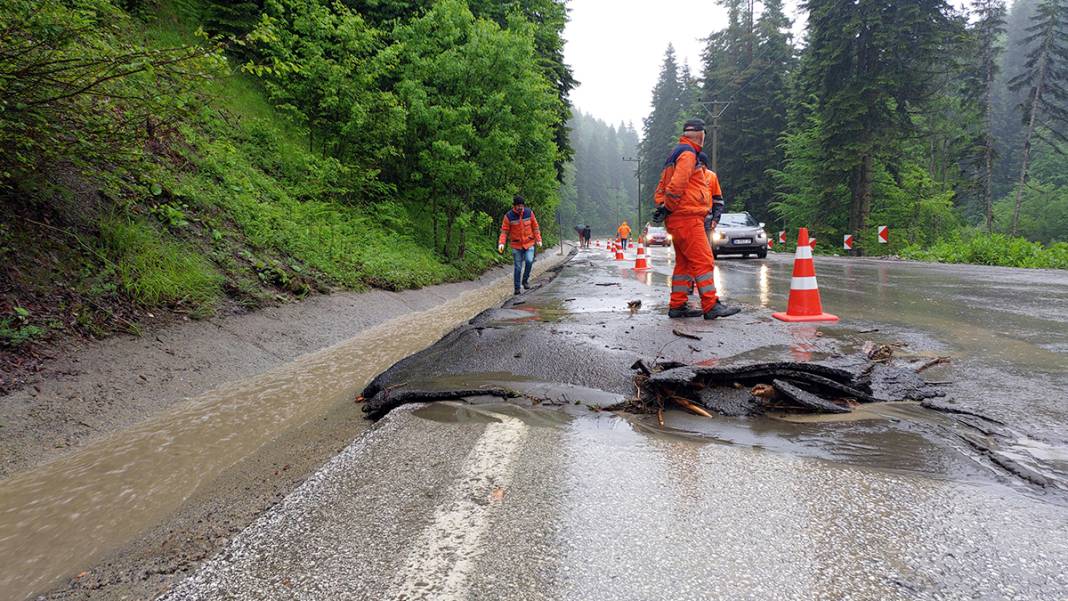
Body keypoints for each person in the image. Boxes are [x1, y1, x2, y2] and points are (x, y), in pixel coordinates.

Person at [651, 118, 740, 320]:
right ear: (701, 135)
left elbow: (661, 188)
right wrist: (670, 206)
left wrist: (664, 207)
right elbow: (677, 185)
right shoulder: (688, 154)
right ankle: (711, 305)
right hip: (687, 218)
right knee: (704, 260)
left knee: (684, 264)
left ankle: (677, 305)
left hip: (678, 219)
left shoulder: (675, 153)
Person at [498, 195, 542, 294]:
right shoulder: (508, 216)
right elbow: (504, 232)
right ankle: (517, 288)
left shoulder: (529, 213)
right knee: (518, 267)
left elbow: (535, 227)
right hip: (516, 245)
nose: (520, 207)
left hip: (529, 242)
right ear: (514, 206)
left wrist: (538, 239)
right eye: (518, 205)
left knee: (529, 261)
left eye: (521, 205)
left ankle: (525, 280)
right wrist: (501, 243)